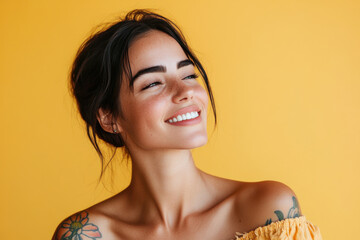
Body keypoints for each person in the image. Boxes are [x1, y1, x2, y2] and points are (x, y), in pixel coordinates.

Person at [52, 9, 322, 240]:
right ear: (109, 117)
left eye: (189, 74)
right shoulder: (84, 234)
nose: (186, 91)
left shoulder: (268, 210)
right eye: (153, 83)